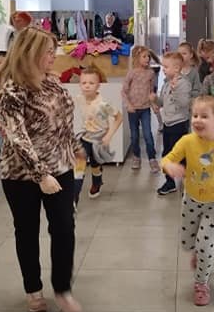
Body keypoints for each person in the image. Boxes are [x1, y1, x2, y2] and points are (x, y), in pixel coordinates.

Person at [0, 27, 82, 312]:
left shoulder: (52, 83)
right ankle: (33, 288)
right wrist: (40, 175)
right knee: (27, 230)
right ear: (30, 53)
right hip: (21, 175)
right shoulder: (12, 90)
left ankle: (62, 288)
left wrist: (76, 147)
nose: (53, 56)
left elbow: (64, 122)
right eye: (48, 52)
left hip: (60, 168)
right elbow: (16, 137)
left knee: (64, 228)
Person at [162, 96, 214, 306]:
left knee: (206, 246)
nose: (197, 120)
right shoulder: (187, 141)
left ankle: (201, 284)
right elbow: (167, 158)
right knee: (187, 243)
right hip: (191, 201)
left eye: (204, 116)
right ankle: (197, 252)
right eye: (195, 115)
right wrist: (168, 166)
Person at [73, 66, 123, 203]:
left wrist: (109, 135)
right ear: (80, 85)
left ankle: (97, 182)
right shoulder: (79, 98)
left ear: (98, 86)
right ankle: (73, 200)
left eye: (91, 83)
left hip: (99, 141)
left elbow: (119, 117)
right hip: (84, 138)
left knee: (95, 165)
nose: (87, 86)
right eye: (84, 83)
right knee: (78, 169)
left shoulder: (103, 104)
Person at [152, 51, 192, 196]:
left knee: (180, 156)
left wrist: (175, 90)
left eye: (166, 67)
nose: (163, 69)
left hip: (179, 124)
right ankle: (170, 183)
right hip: (167, 124)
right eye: (163, 66)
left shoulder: (184, 83)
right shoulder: (166, 84)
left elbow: (184, 104)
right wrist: (155, 100)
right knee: (167, 154)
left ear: (176, 68)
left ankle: (189, 182)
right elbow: (162, 102)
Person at [122, 45, 160, 173]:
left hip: (145, 109)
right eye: (144, 56)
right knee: (134, 136)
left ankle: (152, 159)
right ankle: (136, 157)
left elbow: (151, 92)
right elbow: (124, 91)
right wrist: (128, 104)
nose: (147, 59)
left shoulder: (150, 73)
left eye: (148, 56)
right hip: (133, 110)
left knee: (148, 134)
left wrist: (154, 104)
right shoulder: (131, 73)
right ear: (137, 58)